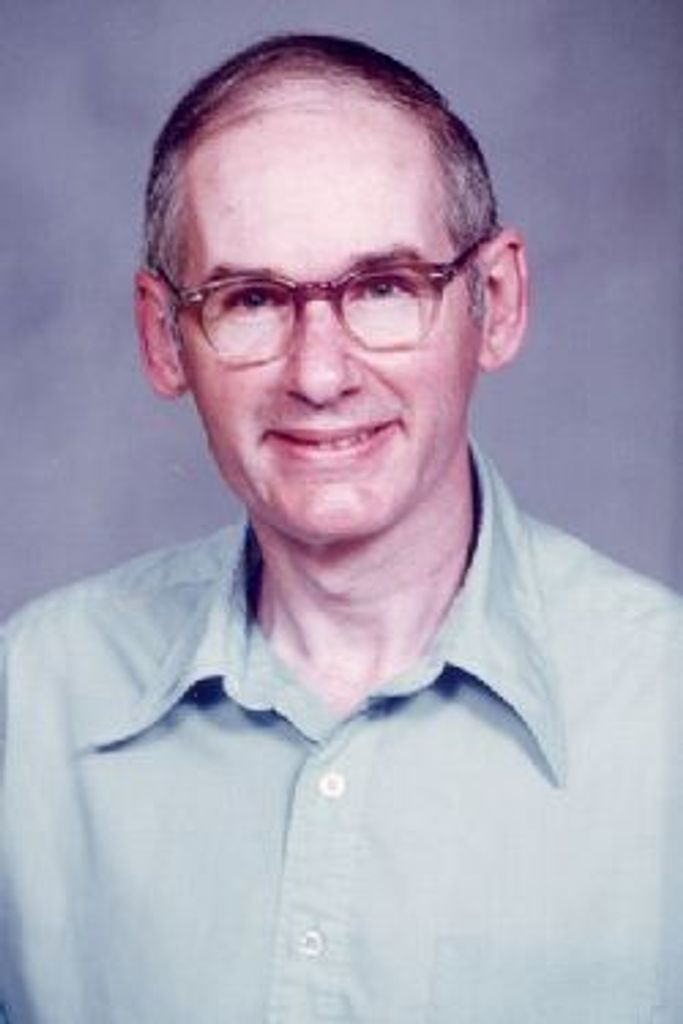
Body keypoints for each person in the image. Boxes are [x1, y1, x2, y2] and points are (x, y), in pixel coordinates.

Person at [1, 33, 681, 1024]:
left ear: (495, 303)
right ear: (163, 338)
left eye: (382, 288)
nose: (318, 375)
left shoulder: (662, 714)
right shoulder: (29, 704)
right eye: (250, 300)